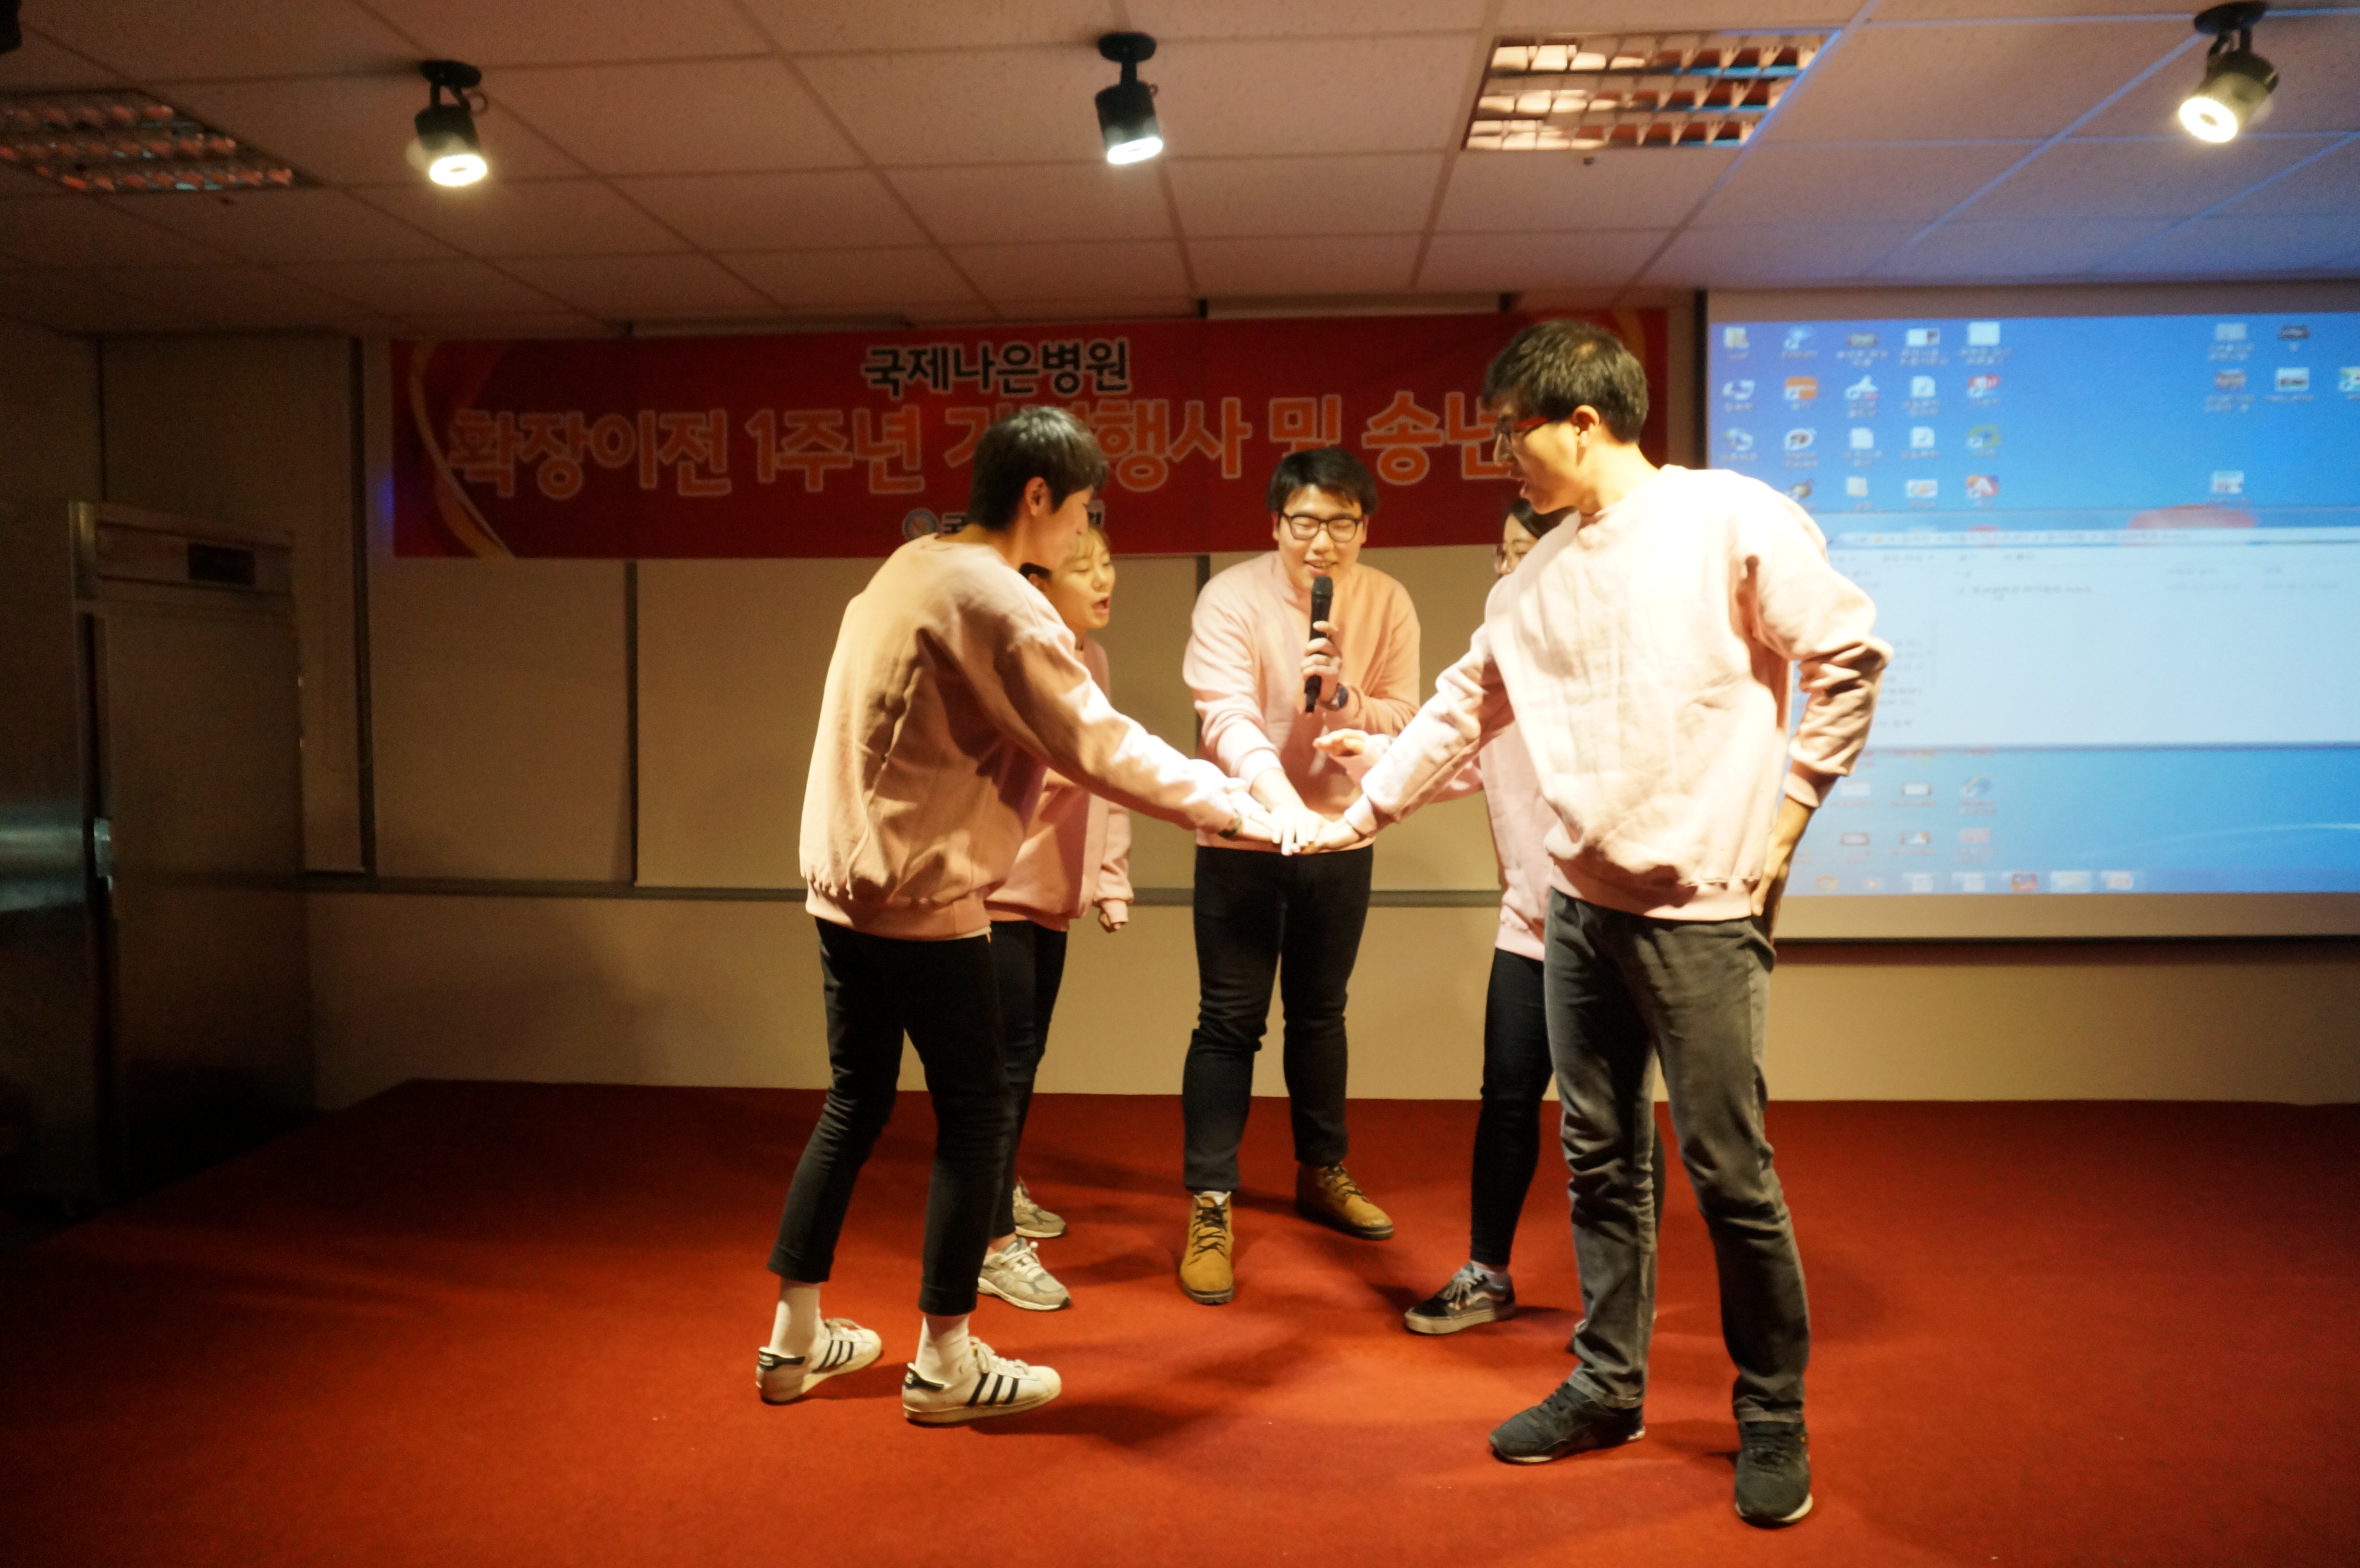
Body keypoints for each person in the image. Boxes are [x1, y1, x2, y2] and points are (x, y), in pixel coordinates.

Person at [1313, 321, 1888, 1526]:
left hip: (1700, 915)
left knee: (1728, 1171)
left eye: (1509, 434)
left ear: (1582, 421)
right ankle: (1607, 1385)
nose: (1500, 460)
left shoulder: (1726, 517)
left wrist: (1788, 817)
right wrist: (1356, 815)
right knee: (1599, 1161)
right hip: (1577, 914)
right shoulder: (1531, 580)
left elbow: (1846, 652)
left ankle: (1770, 1414)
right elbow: (1458, 707)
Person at [757, 407, 1270, 1426]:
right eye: (1080, 513)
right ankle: (945, 1361)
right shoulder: (996, 600)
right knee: (978, 1120)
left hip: (842, 892)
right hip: (924, 900)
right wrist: (1238, 807)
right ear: (1037, 497)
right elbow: (1100, 744)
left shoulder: (912, 564)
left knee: (853, 1104)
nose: (1084, 535)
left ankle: (793, 1340)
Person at [1317, 501, 1666, 1339]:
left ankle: (1625, 1305)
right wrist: (1374, 759)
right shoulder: (1501, 675)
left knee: (1616, 1120)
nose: (1509, 569)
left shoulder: (1609, 671)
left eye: (1524, 553)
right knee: (1506, 1102)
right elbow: (1453, 761)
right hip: (1527, 927)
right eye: (1501, 554)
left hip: (1612, 929)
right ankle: (1488, 1273)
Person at [1175, 447, 1422, 1306]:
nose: (1323, 542)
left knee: (1321, 1014)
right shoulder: (1230, 597)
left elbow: (1404, 717)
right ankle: (1211, 1201)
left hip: (1340, 839)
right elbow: (1226, 719)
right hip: (1245, 838)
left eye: (1341, 524)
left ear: (1365, 528)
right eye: (1306, 522)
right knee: (1229, 1021)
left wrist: (1343, 696)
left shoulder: (1387, 599)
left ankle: (1323, 1169)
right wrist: (1278, 807)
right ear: (1275, 523)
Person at [973, 522, 1132, 1313]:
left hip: (1054, 896)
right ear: (1038, 582)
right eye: (1085, 567)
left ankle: (1000, 1188)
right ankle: (989, 1240)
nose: (1104, 580)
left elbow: (1112, 776)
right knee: (999, 1068)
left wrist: (1110, 878)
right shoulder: (1021, 655)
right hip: (997, 889)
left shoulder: (1091, 660)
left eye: (1108, 565)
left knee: (1025, 1058)